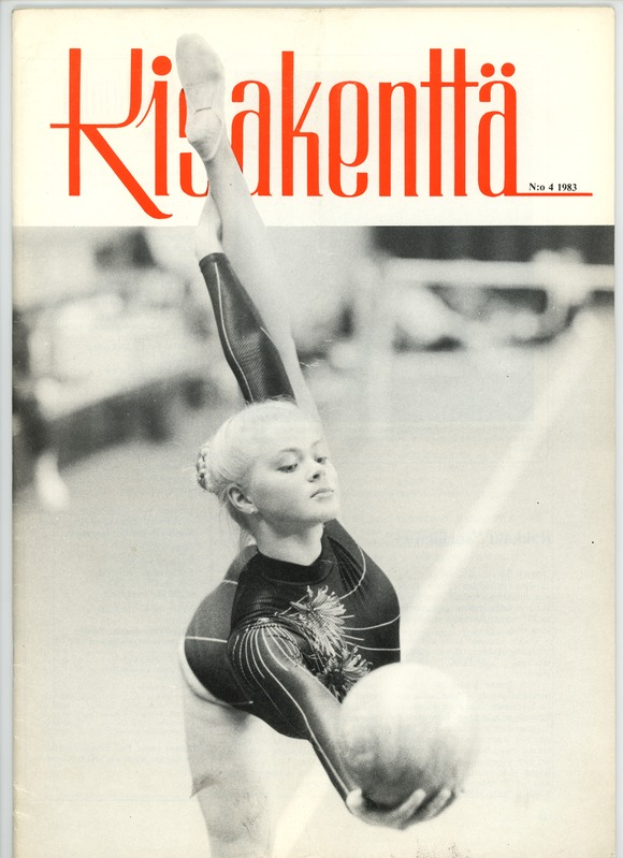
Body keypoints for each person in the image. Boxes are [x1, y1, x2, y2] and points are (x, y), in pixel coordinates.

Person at [175, 35, 456, 858]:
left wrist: (214, 251)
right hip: (216, 675)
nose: (320, 465)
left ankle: (218, 153)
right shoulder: (259, 639)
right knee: (241, 840)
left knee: (277, 378)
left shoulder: (309, 518)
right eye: (293, 467)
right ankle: (217, 159)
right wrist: (373, 798)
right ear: (243, 501)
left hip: (293, 584)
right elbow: (336, 746)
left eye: (317, 458)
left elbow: (262, 356)